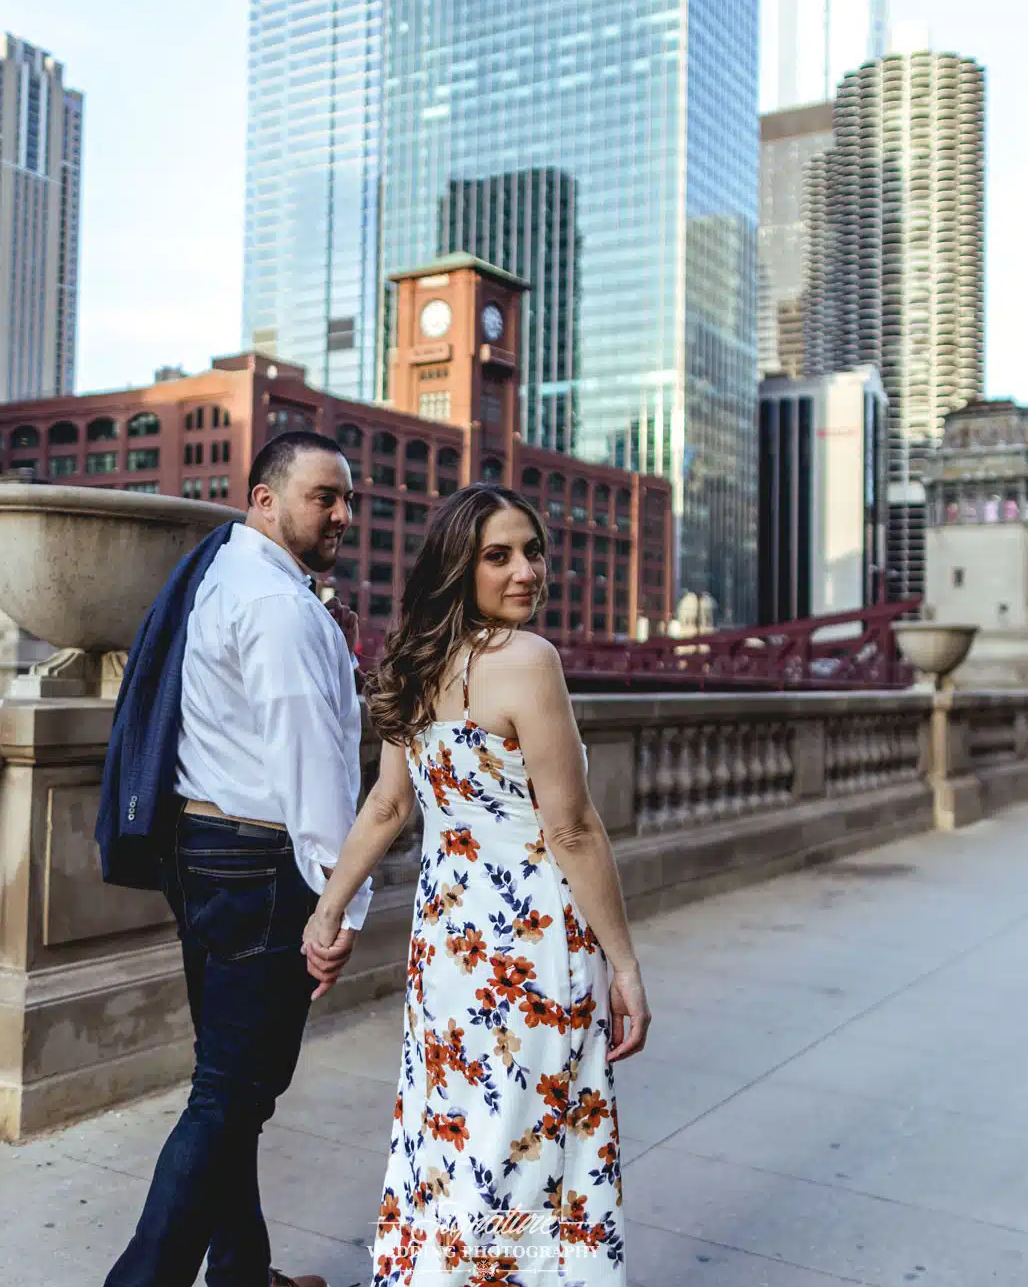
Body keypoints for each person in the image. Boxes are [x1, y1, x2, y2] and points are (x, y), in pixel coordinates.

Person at [302, 484, 651, 1287]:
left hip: (450, 956)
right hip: (531, 952)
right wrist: (626, 965)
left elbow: (387, 805)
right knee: (524, 1148)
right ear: (460, 566)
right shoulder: (529, 662)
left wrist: (327, 915)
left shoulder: (413, 661)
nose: (526, 570)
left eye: (532, 551)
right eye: (500, 555)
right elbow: (571, 829)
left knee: (460, 1135)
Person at [104, 430, 370, 1287]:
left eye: (346, 499)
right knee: (231, 1094)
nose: (342, 513)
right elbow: (312, 766)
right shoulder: (279, 606)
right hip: (261, 867)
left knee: (228, 1086)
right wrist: (340, 905)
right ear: (264, 498)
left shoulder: (224, 572)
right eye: (322, 496)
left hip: (204, 850)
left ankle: (242, 1276)